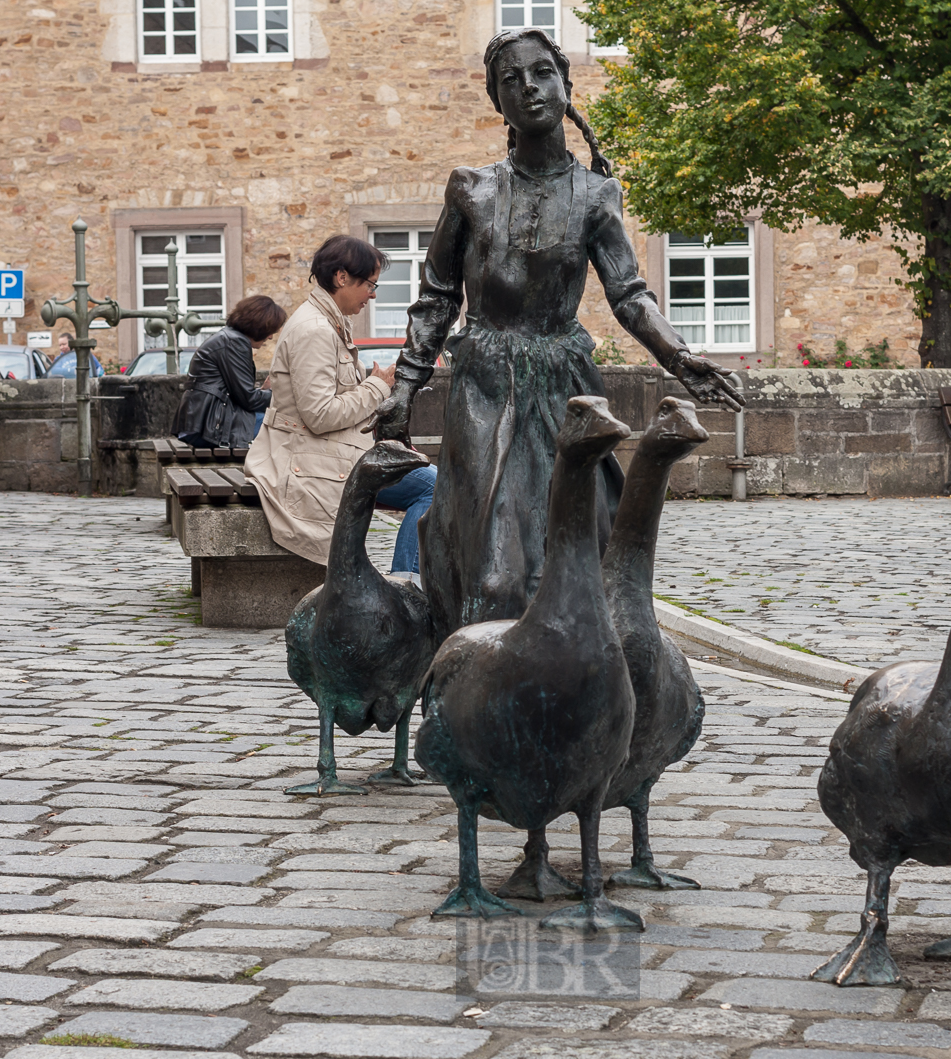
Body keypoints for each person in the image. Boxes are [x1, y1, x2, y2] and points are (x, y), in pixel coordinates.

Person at [370, 28, 743, 639]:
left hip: (563, 388)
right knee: (493, 574)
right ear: (497, 101)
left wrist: (680, 356)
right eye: (509, 80)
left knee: (569, 559)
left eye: (541, 73)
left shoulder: (597, 194)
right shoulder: (471, 187)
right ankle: (470, 687)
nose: (528, 88)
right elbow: (437, 297)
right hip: (485, 388)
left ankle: (570, 700)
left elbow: (629, 294)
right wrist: (405, 387)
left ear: (566, 85)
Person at [246, 237, 435, 577]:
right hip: (309, 462)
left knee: (431, 481)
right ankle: (407, 588)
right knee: (433, 488)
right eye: (370, 284)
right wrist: (377, 386)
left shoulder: (327, 322)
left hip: (324, 454)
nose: (373, 295)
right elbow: (321, 416)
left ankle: (406, 585)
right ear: (342, 277)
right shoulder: (315, 330)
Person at [171, 295, 282, 450]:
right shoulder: (234, 342)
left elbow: (239, 395)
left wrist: (264, 391)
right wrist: (282, 394)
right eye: (270, 331)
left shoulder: (228, 338)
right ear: (259, 326)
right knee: (283, 423)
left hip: (201, 424)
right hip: (209, 427)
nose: (270, 337)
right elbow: (249, 400)